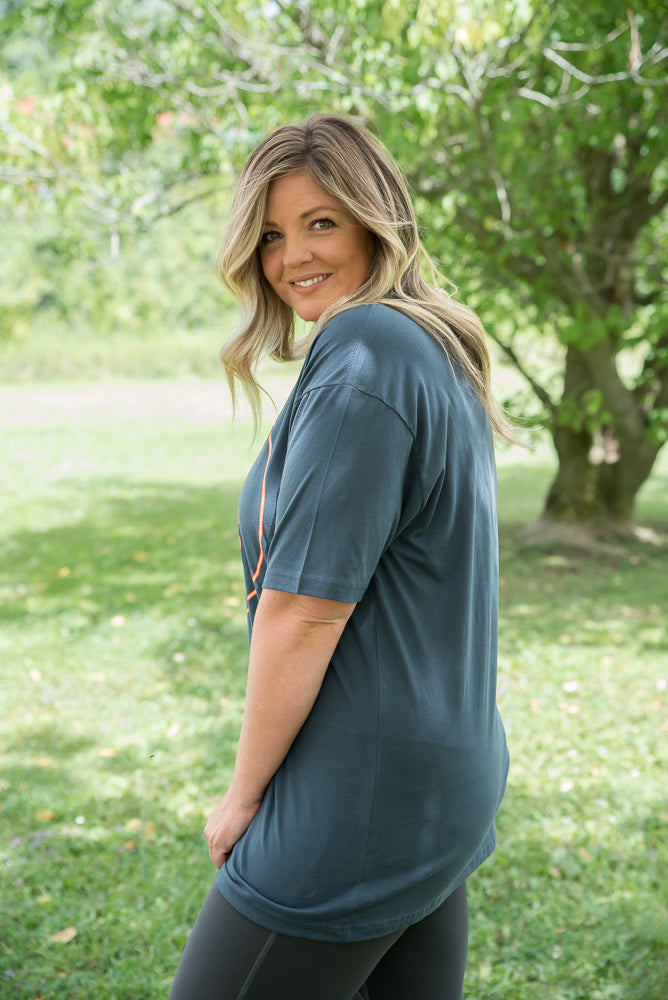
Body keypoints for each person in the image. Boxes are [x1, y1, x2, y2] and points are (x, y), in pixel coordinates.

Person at [168, 113, 514, 1000]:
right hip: (435, 781)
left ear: (374, 219)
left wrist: (244, 796)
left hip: (357, 795)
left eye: (320, 222)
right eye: (270, 234)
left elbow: (305, 611)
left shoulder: (366, 352)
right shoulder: (428, 344)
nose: (292, 257)